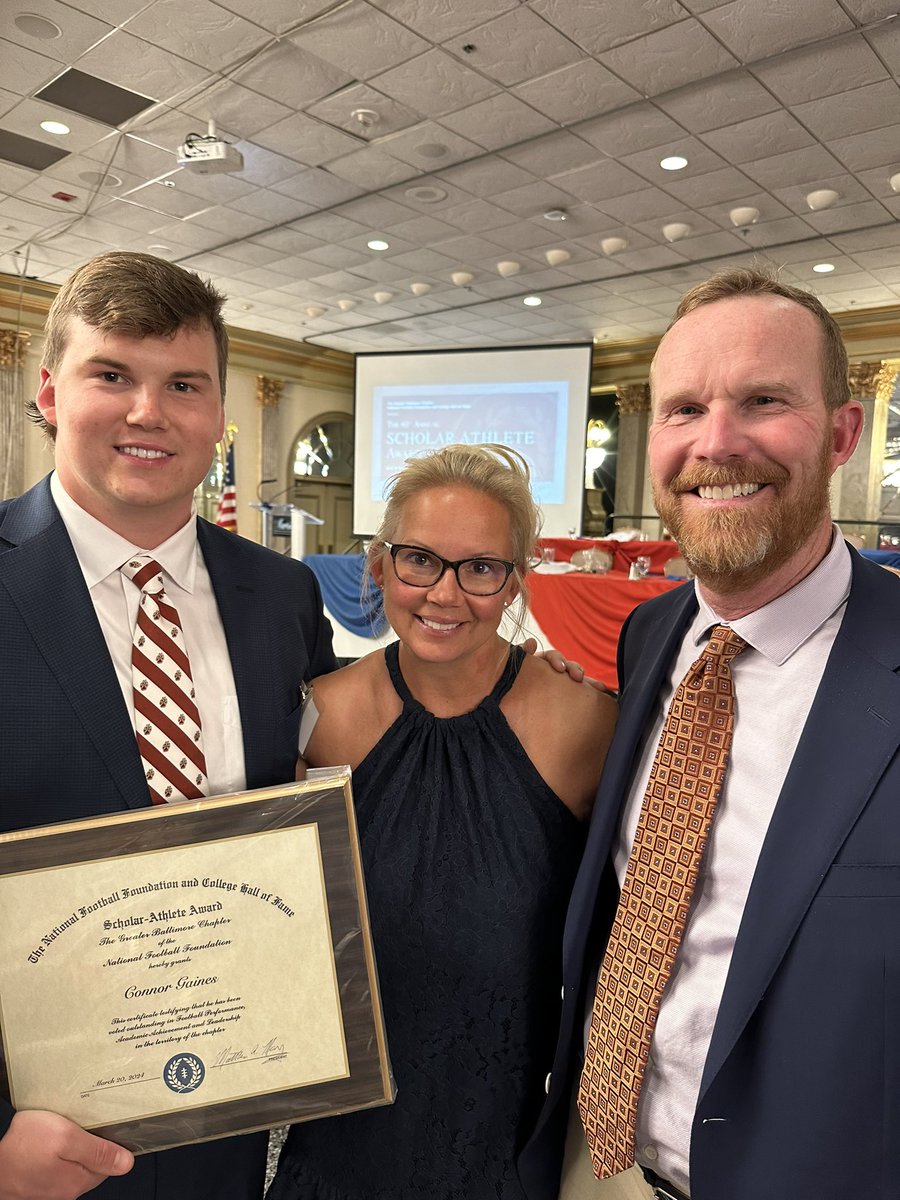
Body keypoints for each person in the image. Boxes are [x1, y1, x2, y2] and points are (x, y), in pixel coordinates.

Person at [517, 265, 897, 1200]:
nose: (716, 443)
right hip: (594, 1162)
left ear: (843, 433)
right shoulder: (652, 634)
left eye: (763, 400)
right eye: (685, 409)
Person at [0, 251, 337, 1199]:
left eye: (184, 384)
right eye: (112, 374)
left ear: (219, 411)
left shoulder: (283, 595)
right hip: (30, 1141)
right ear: (50, 391)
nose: (149, 412)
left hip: (228, 1116)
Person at [268, 443, 617, 1200]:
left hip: (503, 1132)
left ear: (515, 580)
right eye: (420, 560)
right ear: (379, 565)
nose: (445, 594)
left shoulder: (585, 724)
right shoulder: (321, 714)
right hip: (344, 1134)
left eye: (481, 568)